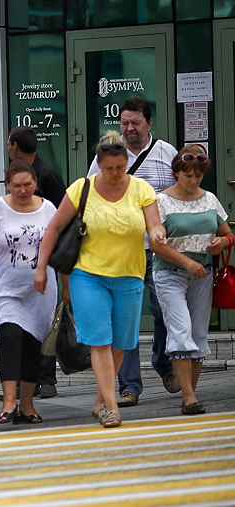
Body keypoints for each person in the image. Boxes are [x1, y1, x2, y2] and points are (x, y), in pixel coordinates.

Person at [37, 131, 166, 428]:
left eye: (120, 168)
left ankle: (99, 400)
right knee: (100, 341)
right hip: (88, 276)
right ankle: (111, 406)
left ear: (126, 163)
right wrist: (42, 268)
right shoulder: (81, 189)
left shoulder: (141, 189)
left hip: (130, 276)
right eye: (109, 169)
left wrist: (158, 233)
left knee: (121, 343)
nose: (115, 174)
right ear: (99, 164)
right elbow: (55, 228)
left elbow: (154, 223)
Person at [88, 97, 179, 406]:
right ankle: (129, 387)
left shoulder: (167, 154)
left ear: (149, 123)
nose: (129, 128)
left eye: (135, 123)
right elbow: (90, 195)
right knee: (124, 320)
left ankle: (163, 362)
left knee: (164, 310)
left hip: (159, 250)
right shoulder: (108, 155)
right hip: (121, 253)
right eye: (124, 123)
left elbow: (181, 197)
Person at [0, 159, 58, 424]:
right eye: (17, 186)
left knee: (33, 344)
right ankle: (9, 402)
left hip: (39, 291)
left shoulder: (48, 209)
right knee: (10, 337)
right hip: (4, 289)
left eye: (28, 185)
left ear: (35, 183)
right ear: (7, 185)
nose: (23, 190)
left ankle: (28, 404)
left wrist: (68, 285)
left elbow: (61, 246)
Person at [148, 145, 232, 415]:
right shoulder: (161, 202)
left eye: (198, 176)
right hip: (170, 272)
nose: (193, 181)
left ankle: (190, 393)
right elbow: (156, 245)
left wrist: (222, 242)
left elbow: (228, 232)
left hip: (203, 274)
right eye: (188, 176)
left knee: (198, 334)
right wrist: (186, 262)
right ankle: (188, 396)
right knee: (181, 330)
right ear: (176, 173)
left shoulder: (209, 199)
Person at [8, 126, 66, 399]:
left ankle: (46, 378)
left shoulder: (47, 176)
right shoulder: (14, 178)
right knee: (18, 322)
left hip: (46, 261)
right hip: (17, 264)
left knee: (45, 320)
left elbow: (64, 220)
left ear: (14, 146)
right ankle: (19, 380)